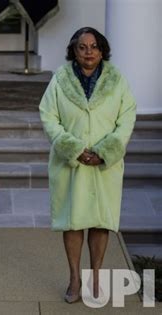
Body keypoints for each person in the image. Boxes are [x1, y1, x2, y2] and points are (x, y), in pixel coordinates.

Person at [39, 27, 136, 304]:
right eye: (82, 47)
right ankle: (74, 277)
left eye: (94, 46)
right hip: (71, 166)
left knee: (99, 222)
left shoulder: (117, 80)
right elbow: (48, 116)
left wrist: (106, 151)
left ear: (102, 50)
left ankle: (95, 276)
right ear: (74, 50)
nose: (89, 52)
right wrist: (74, 149)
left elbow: (127, 118)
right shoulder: (60, 79)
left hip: (104, 166)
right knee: (73, 222)